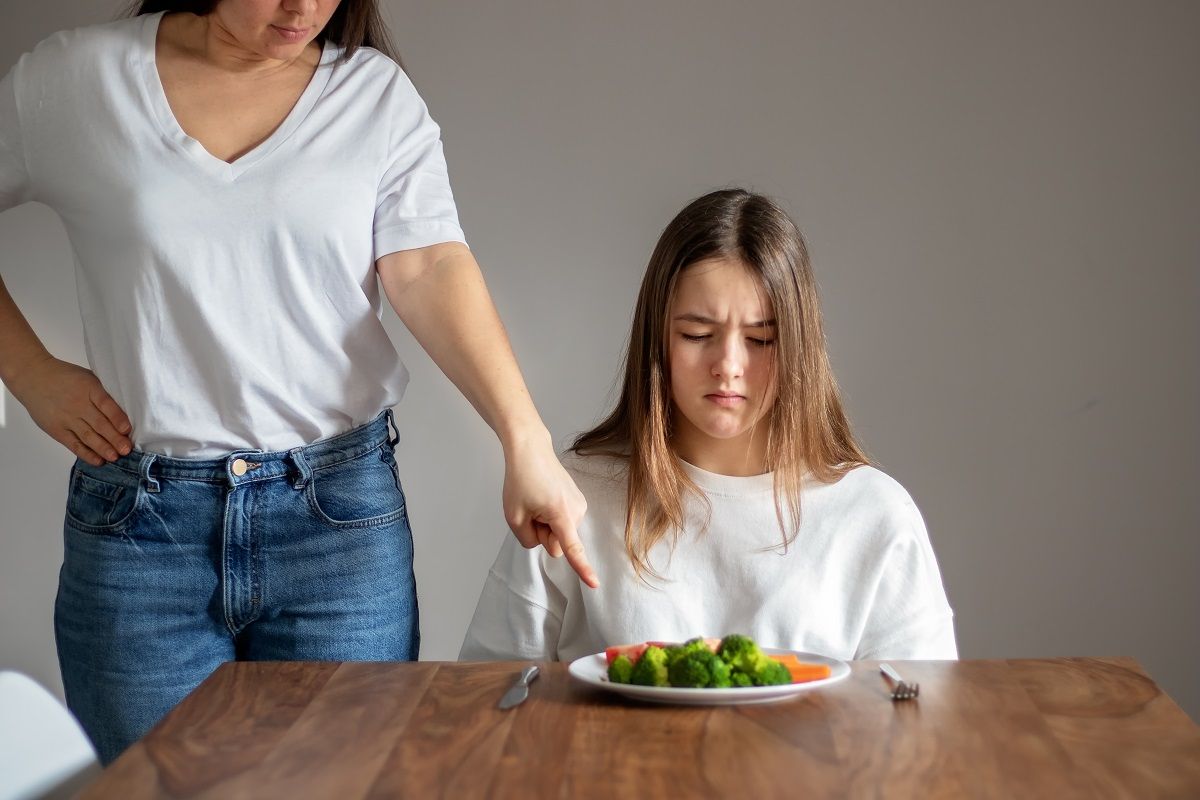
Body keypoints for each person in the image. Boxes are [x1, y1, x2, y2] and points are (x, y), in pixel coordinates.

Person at [0, 0, 596, 764]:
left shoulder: (372, 97)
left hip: (336, 528)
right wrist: (28, 372)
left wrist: (527, 441)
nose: (304, 8)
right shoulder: (80, 79)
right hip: (142, 532)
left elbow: (429, 264)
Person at [460, 188, 957, 663]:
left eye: (762, 340)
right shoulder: (570, 500)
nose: (728, 365)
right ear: (657, 340)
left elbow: (920, 720)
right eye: (698, 334)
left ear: (800, 349)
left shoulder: (873, 515)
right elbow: (491, 698)